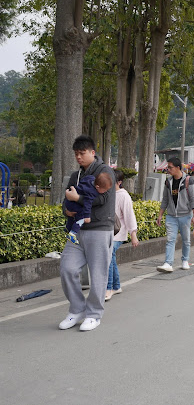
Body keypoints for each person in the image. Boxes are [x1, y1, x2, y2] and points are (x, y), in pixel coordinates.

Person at [59, 135, 116, 332]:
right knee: (67, 268)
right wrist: (66, 210)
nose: (78, 157)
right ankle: (77, 310)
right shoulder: (76, 175)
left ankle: (93, 315)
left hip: (99, 228)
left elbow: (104, 198)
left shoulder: (105, 171)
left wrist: (79, 198)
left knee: (98, 274)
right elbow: (67, 197)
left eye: (82, 153)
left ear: (92, 152)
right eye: (76, 154)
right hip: (77, 230)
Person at [155, 157, 194, 273]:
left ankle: (185, 260)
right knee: (170, 239)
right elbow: (165, 199)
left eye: (170, 167)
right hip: (171, 216)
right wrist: (160, 215)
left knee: (185, 239)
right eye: (168, 167)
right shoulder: (168, 181)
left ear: (178, 168)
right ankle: (168, 263)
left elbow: (193, 199)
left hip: (185, 214)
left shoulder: (189, 180)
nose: (168, 169)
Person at [106, 168, 139, 301]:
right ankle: (116, 285)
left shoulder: (124, 196)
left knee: (108, 256)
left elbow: (129, 215)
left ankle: (108, 288)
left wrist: (133, 234)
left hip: (118, 233)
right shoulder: (107, 193)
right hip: (108, 232)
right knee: (111, 258)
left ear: (119, 182)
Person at [62, 171, 112, 245]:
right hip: (74, 203)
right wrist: (87, 216)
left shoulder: (90, 178)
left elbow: (84, 179)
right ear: (97, 187)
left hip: (69, 202)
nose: (105, 191)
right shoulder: (92, 192)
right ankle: (72, 233)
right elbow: (87, 204)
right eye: (104, 190)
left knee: (72, 216)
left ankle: (67, 229)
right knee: (80, 217)